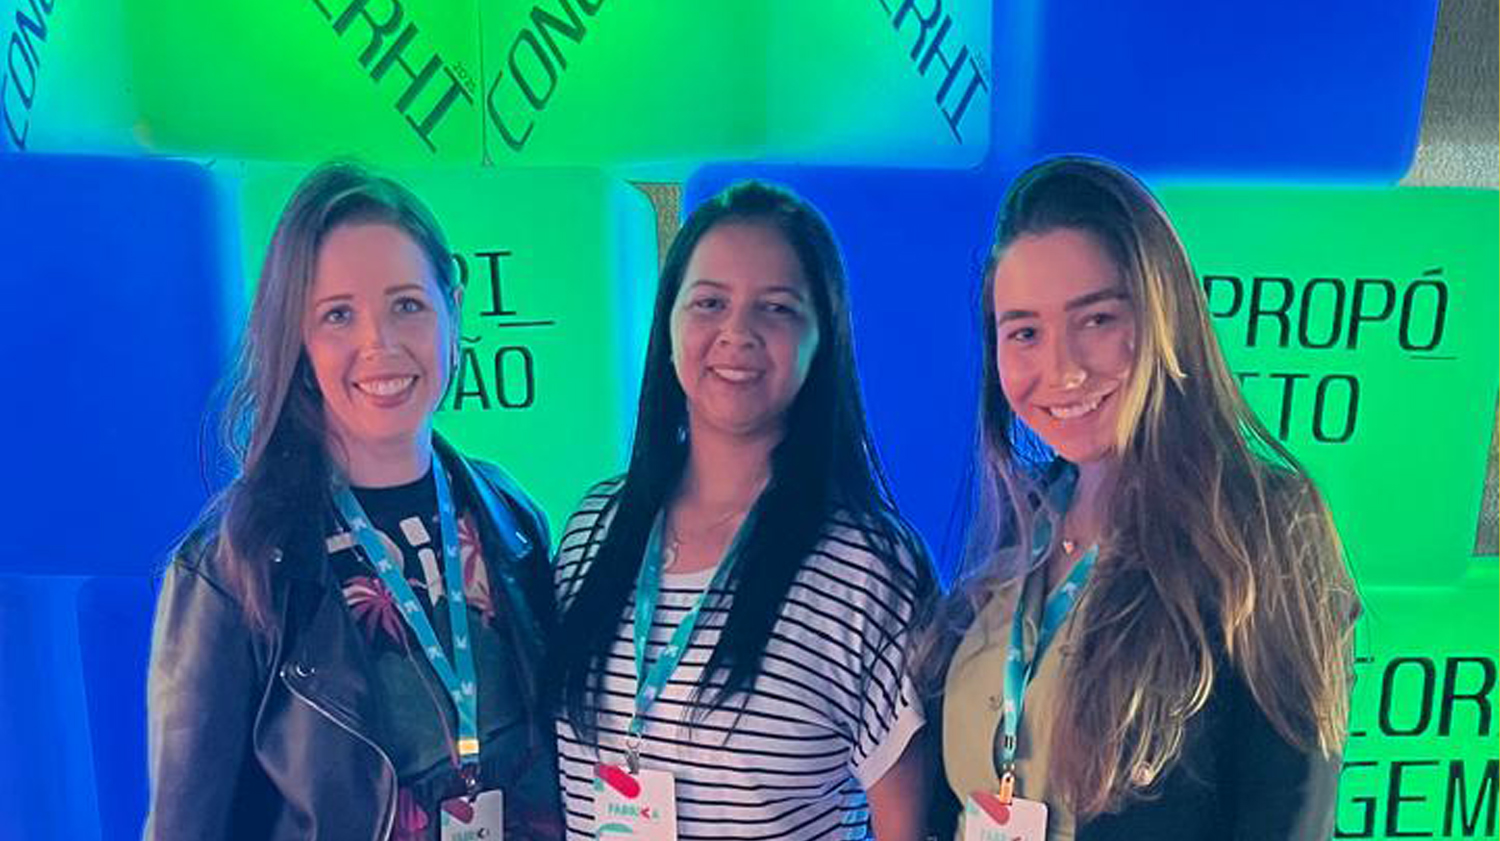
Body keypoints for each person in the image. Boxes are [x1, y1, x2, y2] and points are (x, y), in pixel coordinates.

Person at [927, 156, 1357, 840]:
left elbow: (1287, 817)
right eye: (1025, 332)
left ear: (1164, 315)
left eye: (1097, 319)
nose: (1062, 369)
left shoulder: (1261, 529)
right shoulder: (1023, 526)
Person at [145, 163, 563, 840]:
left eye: (408, 305)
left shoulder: (511, 521)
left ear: (453, 310)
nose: (379, 344)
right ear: (299, 340)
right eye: (338, 315)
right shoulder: (232, 565)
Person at [547, 181, 935, 840]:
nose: (737, 332)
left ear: (823, 337)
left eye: (777, 308)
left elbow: (905, 826)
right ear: (668, 324)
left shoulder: (869, 566)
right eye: (709, 302)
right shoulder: (596, 526)